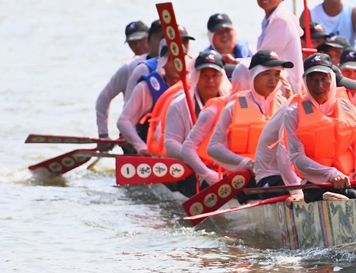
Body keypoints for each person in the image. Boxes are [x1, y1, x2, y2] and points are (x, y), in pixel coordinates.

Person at [278, 53, 356, 201]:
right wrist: (331, 174)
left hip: (351, 178)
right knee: (353, 196)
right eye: (313, 80)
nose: (319, 86)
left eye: (324, 79)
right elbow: (297, 158)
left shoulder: (347, 107)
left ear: (332, 79)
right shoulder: (293, 113)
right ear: (305, 81)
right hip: (316, 183)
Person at [206, 50, 293, 197]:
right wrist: (247, 163)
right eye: (267, 74)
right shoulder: (233, 107)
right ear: (253, 76)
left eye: (277, 74)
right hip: (244, 179)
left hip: (279, 175)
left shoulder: (285, 104)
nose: (273, 80)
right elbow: (213, 147)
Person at [116, 28, 195, 154]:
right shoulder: (147, 87)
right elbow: (124, 121)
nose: (175, 64)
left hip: (186, 151)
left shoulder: (195, 84)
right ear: (163, 62)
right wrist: (140, 146)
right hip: (152, 153)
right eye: (170, 60)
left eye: (179, 59)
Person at [232, 0, 304, 94]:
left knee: (241, 70)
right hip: (275, 80)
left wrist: (237, 62)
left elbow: (262, 60)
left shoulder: (281, 20)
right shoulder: (272, 18)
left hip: (286, 87)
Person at [173, 51, 231, 191]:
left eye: (215, 75)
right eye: (204, 76)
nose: (210, 81)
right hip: (188, 165)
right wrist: (201, 166)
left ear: (222, 77)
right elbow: (170, 143)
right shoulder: (180, 104)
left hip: (221, 166)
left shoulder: (231, 104)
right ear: (196, 77)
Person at [94, 21, 151, 145]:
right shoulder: (127, 68)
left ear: (151, 38)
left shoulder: (168, 64)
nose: (138, 46)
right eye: (132, 43)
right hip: (133, 132)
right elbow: (103, 99)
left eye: (142, 40)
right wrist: (103, 134)